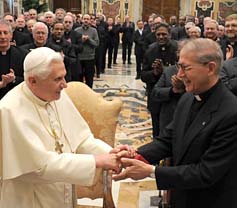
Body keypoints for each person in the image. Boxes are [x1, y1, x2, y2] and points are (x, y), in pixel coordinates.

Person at [0, 47, 131, 208]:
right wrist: (96, 161)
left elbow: (81, 139)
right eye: (57, 79)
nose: (65, 85)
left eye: (64, 76)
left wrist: (110, 153)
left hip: (63, 194)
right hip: (29, 199)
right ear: (32, 81)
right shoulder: (9, 110)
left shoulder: (56, 96)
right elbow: (39, 167)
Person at [114, 38, 237, 208]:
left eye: (186, 68)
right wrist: (135, 155)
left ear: (210, 68)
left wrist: (152, 171)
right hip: (181, 197)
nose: (179, 75)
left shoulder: (231, 113)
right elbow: (168, 140)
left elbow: (206, 172)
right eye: (179, 66)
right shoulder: (187, 98)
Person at [0, 20, 28, 99]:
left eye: (5, 33)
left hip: (18, 99)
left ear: (11, 35)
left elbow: (30, 79)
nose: (2, 37)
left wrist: (14, 79)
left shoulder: (23, 55)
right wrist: (1, 84)